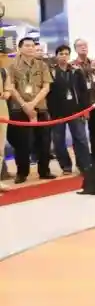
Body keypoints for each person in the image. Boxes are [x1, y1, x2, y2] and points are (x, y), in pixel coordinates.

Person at [7, 37, 56, 183]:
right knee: (22, 143)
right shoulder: (12, 66)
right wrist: (25, 105)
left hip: (40, 107)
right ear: (20, 48)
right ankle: (22, 173)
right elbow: (11, 88)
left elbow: (46, 86)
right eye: (27, 46)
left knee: (44, 142)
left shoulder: (42, 65)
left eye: (33, 46)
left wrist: (33, 103)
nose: (30, 48)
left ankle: (44, 171)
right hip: (19, 108)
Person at [48, 45, 92, 174]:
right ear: (56, 56)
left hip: (75, 110)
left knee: (81, 139)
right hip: (57, 112)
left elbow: (84, 92)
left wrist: (85, 109)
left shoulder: (76, 71)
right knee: (58, 141)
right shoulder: (51, 72)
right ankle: (66, 166)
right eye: (61, 54)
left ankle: (84, 165)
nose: (64, 56)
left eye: (66, 54)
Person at [73, 38, 95, 160]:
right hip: (80, 104)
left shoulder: (94, 63)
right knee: (80, 135)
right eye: (80, 45)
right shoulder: (73, 66)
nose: (83, 47)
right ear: (75, 49)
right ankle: (83, 161)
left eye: (85, 45)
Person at [0, 64, 13, 193]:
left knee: (0, 148)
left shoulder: (3, 71)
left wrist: (7, 93)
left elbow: (8, 89)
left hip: (2, 111)